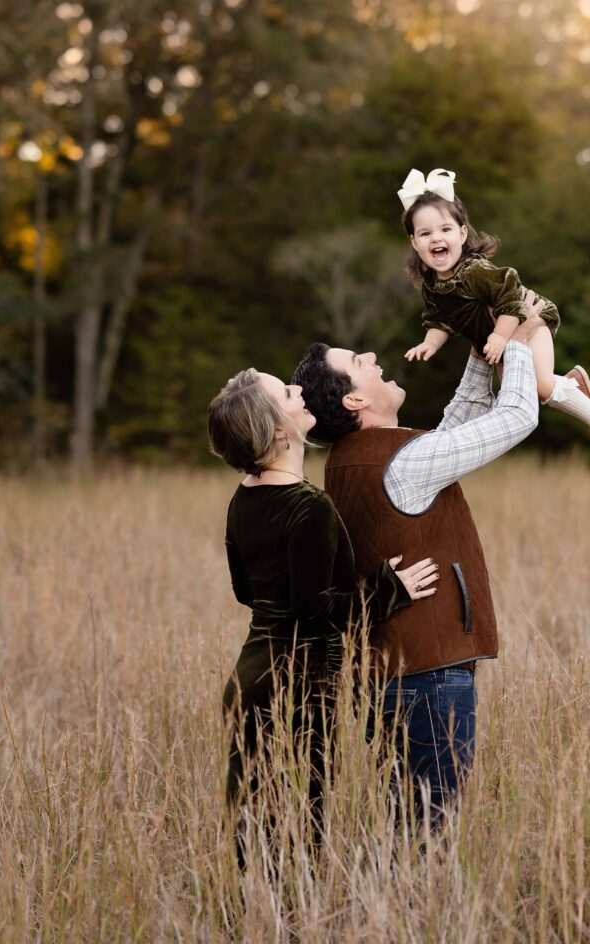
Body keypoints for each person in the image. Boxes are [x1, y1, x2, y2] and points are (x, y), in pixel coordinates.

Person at [292, 291, 545, 823]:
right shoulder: (401, 463)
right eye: (359, 363)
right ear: (353, 403)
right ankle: (413, 908)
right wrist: (520, 341)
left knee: (407, 827)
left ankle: (394, 907)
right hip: (427, 680)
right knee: (426, 835)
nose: (374, 360)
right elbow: (519, 416)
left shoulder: (353, 460)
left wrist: (483, 354)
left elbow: (452, 435)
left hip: (395, 678)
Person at [206, 367, 439, 865]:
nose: (301, 393)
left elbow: (248, 592)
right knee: (300, 838)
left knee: (257, 840)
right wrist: (389, 590)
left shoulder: (243, 499)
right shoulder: (308, 506)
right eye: (288, 393)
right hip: (298, 691)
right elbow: (318, 613)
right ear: (273, 429)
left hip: (250, 680)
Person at [399, 167, 590, 452]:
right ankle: (572, 384)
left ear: (462, 233)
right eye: (425, 233)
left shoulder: (475, 271)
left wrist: (499, 337)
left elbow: (510, 298)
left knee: (540, 386)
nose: (436, 238)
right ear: (414, 242)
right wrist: (429, 343)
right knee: (518, 393)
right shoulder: (432, 284)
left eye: (445, 230)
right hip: (501, 343)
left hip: (528, 322)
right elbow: (439, 320)